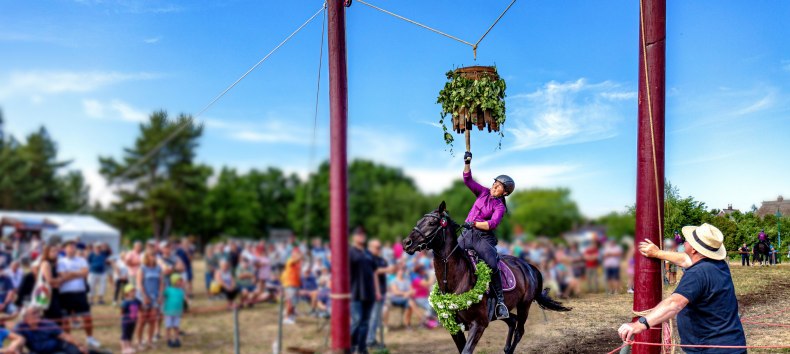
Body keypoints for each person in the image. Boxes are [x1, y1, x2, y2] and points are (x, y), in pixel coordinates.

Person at [619, 223, 746, 353]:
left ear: (694, 249)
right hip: (733, 344)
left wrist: (639, 325)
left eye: (687, 241)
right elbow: (685, 259)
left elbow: (674, 303)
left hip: (711, 349)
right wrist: (657, 253)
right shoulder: (718, 264)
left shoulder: (697, 273)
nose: (684, 243)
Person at [457, 150, 514, 319]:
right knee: (450, 256)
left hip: (483, 238)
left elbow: (492, 224)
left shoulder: (500, 207)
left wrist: (474, 223)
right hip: (467, 234)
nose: (494, 186)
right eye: (495, 183)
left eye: (498, 186)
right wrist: (467, 162)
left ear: (504, 193)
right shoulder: (482, 192)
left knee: (492, 263)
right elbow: (468, 180)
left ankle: (501, 303)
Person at [57, 239, 100, 348]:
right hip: (65, 294)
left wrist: (70, 273)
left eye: (73, 247)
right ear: (64, 248)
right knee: (66, 319)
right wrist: (77, 273)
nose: (72, 249)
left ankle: (90, 338)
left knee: (87, 317)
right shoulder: (61, 261)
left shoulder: (81, 260)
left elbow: (85, 273)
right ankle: (68, 340)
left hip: (80, 293)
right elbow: (63, 276)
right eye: (70, 247)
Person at [15, 306, 88, 354]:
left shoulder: (47, 323)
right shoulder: (21, 327)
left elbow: (65, 336)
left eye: (38, 313)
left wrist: (79, 345)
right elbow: (17, 341)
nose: (38, 315)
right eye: (34, 313)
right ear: (25, 317)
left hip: (56, 349)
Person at [349, 228, 377, 354]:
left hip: (369, 292)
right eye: (359, 234)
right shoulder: (349, 252)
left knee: (365, 322)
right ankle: (350, 345)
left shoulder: (368, 253)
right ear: (354, 237)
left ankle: (362, 348)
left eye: (363, 234)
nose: (362, 236)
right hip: (355, 291)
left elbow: (374, 272)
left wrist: (377, 291)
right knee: (357, 321)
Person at [135, 249, 163, 350]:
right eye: (151, 255)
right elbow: (139, 283)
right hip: (143, 297)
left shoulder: (158, 268)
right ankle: (139, 341)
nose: (154, 257)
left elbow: (161, 283)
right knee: (142, 320)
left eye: (155, 255)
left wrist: (160, 295)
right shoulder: (142, 268)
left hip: (155, 297)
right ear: (146, 256)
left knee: (152, 320)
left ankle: (149, 341)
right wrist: (144, 296)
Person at [367, 239, 392, 348]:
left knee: (376, 317)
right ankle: (370, 340)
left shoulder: (382, 260)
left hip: (381, 291)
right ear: (370, 247)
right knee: (372, 317)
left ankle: (371, 339)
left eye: (380, 247)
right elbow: (373, 272)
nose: (379, 249)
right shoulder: (367, 259)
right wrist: (386, 270)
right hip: (371, 292)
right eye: (376, 247)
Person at [162, 274, 186, 348]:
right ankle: (168, 339)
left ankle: (177, 339)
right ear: (174, 281)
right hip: (169, 312)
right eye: (179, 281)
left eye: (181, 281)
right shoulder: (168, 290)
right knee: (168, 326)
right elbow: (163, 296)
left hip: (177, 312)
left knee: (176, 326)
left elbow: (182, 301)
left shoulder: (181, 291)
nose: (181, 282)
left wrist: (182, 310)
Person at [280, 247, 302, 324]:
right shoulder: (290, 260)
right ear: (293, 254)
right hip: (289, 284)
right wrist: (301, 256)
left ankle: (290, 315)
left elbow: (298, 273)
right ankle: (286, 318)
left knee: (294, 302)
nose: (298, 254)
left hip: (295, 284)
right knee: (289, 302)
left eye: (298, 252)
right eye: (296, 253)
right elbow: (297, 259)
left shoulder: (298, 263)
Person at [119, 284, 141, 354]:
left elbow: (141, 307)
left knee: (130, 335)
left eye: (134, 291)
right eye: (131, 291)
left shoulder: (136, 300)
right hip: (126, 321)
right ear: (127, 293)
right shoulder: (125, 302)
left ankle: (129, 347)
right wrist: (122, 317)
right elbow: (122, 311)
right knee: (124, 335)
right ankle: (123, 348)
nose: (133, 292)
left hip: (133, 321)